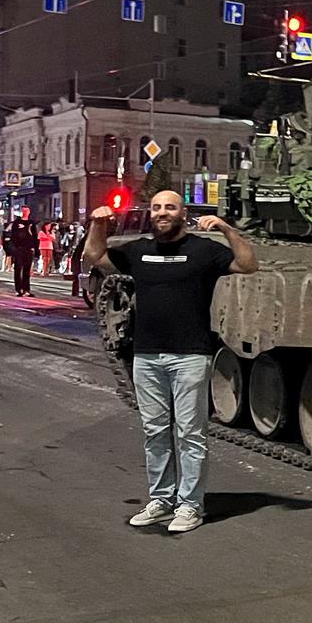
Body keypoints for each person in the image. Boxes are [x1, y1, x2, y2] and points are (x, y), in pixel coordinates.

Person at [84, 189, 257, 534]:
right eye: (158, 207)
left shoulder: (204, 251)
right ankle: (161, 499)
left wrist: (224, 228)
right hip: (147, 356)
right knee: (155, 431)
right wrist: (97, 223)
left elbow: (248, 264)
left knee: (190, 434)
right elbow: (95, 256)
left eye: (170, 208)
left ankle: (191, 506)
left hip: (190, 355)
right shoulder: (139, 251)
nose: (162, 212)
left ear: (183, 213)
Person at [6, 206, 37, 296]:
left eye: (27, 211)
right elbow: (13, 235)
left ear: (29, 212)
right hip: (19, 248)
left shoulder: (31, 223)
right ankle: (18, 289)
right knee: (18, 268)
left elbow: (35, 236)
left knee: (27, 270)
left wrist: (34, 247)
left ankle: (26, 289)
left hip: (28, 249)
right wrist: (14, 247)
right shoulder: (17, 222)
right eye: (23, 211)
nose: (25, 212)